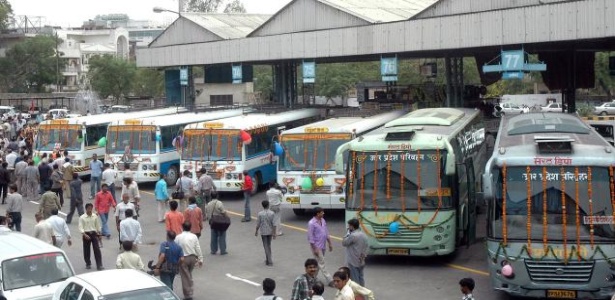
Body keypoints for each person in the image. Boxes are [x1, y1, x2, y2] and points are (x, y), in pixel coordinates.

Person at [175, 221, 203, 300]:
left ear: (182, 227)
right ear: (190, 228)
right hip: (193, 258)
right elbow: (197, 247)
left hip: (183, 258)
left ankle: (188, 294)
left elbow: (176, 248)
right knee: (189, 274)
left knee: (184, 277)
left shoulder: (178, 237)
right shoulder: (194, 236)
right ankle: (190, 288)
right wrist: (201, 259)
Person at [308, 207, 334, 286]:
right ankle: (330, 280)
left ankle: (311, 279)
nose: (323, 213)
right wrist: (314, 248)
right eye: (322, 212)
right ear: (317, 214)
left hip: (323, 246)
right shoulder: (311, 223)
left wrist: (329, 243)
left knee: (318, 264)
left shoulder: (323, 220)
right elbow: (310, 237)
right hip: (316, 247)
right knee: (322, 263)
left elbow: (326, 232)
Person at [342, 218, 368, 286]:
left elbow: (344, 243)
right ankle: (362, 291)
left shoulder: (353, 236)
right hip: (361, 259)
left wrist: (347, 233)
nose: (348, 227)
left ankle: (358, 294)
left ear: (352, 226)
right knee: (361, 278)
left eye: (349, 226)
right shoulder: (363, 235)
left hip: (353, 260)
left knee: (355, 280)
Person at [79, 203, 104, 270]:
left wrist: (100, 234)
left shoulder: (95, 216)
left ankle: (99, 265)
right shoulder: (82, 217)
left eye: (91, 208)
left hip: (94, 234)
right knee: (86, 250)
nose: (90, 210)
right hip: (86, 234)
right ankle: (88, 263)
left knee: (97, 249)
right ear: (86, 209)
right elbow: (81, 227)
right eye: (88, 208)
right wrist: (84, 234)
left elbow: (98, 225)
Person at [255, 200, 276, 266]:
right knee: (268, 245)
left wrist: (256, 231)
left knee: (265, 246)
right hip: (270, 231)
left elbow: (258, 223)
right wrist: (274, 233)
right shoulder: (272, 213)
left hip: (263, 232)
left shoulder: (260, 214)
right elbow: (274, 224)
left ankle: (269, 261)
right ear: (268, 205)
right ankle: (268, 259)